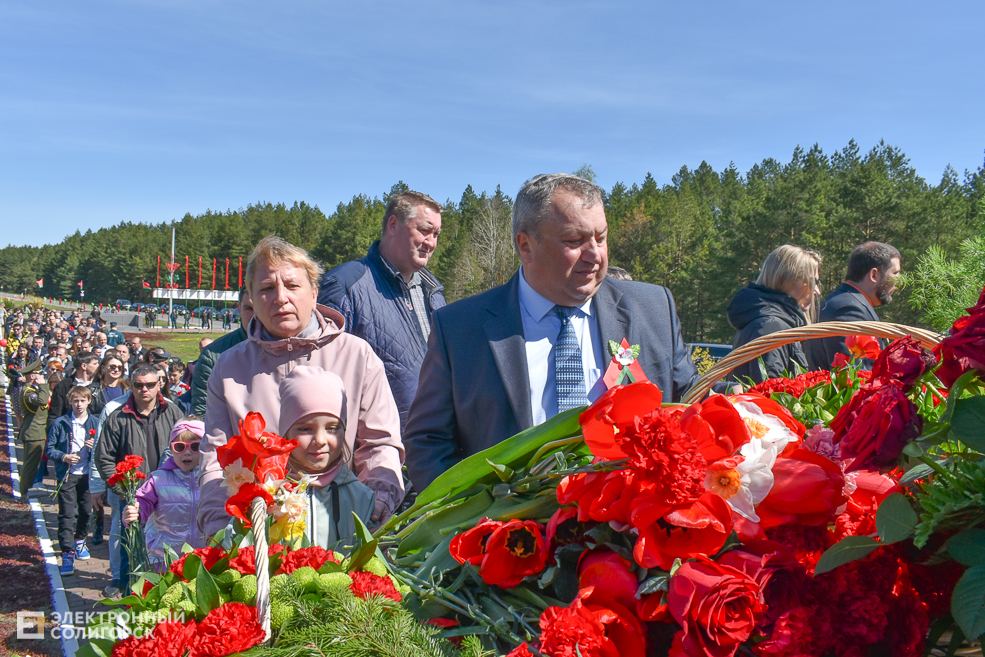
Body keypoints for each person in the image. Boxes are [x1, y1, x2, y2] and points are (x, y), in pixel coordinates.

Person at [404, 173, 700, 491]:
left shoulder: (654, 309)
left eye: (601, 238)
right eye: (574, 241)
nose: (595, 255)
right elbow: (428, 442)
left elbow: (695, 406)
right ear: (526, 246)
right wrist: (471, 517)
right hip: (512, 533)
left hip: (631, 526)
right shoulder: (460, 328)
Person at [197, 236, 403, 538]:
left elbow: (380, 443)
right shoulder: (228, 369)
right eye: (267, 289)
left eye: (292, 286)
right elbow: (216, 459)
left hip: (347, 528)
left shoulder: (358, 356)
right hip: (259, 538)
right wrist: (219, 526)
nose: (280, 297)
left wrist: (377, 503)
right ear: (251, 298)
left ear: (314, 292)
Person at [318, 190, 447, 433]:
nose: (430, 242)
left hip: (432, 443)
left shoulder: (434, 291)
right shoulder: (345, 285)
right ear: (394, 225)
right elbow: (321, 378)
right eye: (424, 230)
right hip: (372, 450)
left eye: (436, 234)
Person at [95, 364, 183, 592]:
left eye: (150, 385)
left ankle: (163, 593)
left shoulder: (173, 412)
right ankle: (129, 594)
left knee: (166, 546)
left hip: (168, 493)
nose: (145, 389)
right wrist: (123, 491)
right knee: (131, 546)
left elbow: (188, 449)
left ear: (159, 384)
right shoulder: (117, 416)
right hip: (134, 494)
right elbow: (104, 457)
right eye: (139, 385)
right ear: (131, 386)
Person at [279, 367, 375, 547]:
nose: (320, 440)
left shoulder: (362, 499)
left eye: (332, 428)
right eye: (305, 429)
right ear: (285, 432)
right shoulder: (270, 496)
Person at [726, 245, 822, 383]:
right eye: (813, 282)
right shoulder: (771, 327)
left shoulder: (769, 321)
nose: (817, 292)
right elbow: (772, 392)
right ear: (788, 280)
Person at [122, 418, 205, 569]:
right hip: (165, 559)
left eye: (195, 446)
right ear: (171, 449)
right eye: (180, 447)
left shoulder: (212, 479)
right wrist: (134, 513)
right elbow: (142, 503)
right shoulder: (158, 480)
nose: (187, 452)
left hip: (205, 557)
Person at [805, 242, 902, 371]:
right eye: (895, 273)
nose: (899, 281)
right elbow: (852, 377)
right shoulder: (848, 310)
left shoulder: (846, 302)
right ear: (874, 275)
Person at [45, 385, 99, 576]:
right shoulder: (61, 423)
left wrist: (95, 446)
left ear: (89, 401)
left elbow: (104, 449)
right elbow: (49, 449)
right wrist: (64, 457)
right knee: (67, 514)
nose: (79, 404)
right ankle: (67, 553)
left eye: (82, 400)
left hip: (87, 475)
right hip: (67, 475)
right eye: (75, 400)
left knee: (86, 511)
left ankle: (80, 540)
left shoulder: (95, 422)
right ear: (70, 401)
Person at [190, 289, 252, 418]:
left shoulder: (290, 349)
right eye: (248, 309)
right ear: (239, 309)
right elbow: (202, 414)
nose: (255, 316)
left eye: (260, 308)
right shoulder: (212, 356)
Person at [18, 360, 51, 497]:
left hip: (36, 432)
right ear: (33, 376)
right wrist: (43, 384)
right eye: (39, 374)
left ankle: (26, 491)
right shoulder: (28, 392)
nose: (41, 377)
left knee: (33, 465)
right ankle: (24, 492)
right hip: (33, 433)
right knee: (30, 467)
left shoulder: (31, 390)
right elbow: (42, 401)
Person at [48, 351, 100, 431]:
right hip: (69, 433)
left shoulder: (99, 385)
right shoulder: (63, 386)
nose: (98, 366)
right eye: (95, 364)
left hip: (93, 433)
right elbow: (54, 415)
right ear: (84, 366)